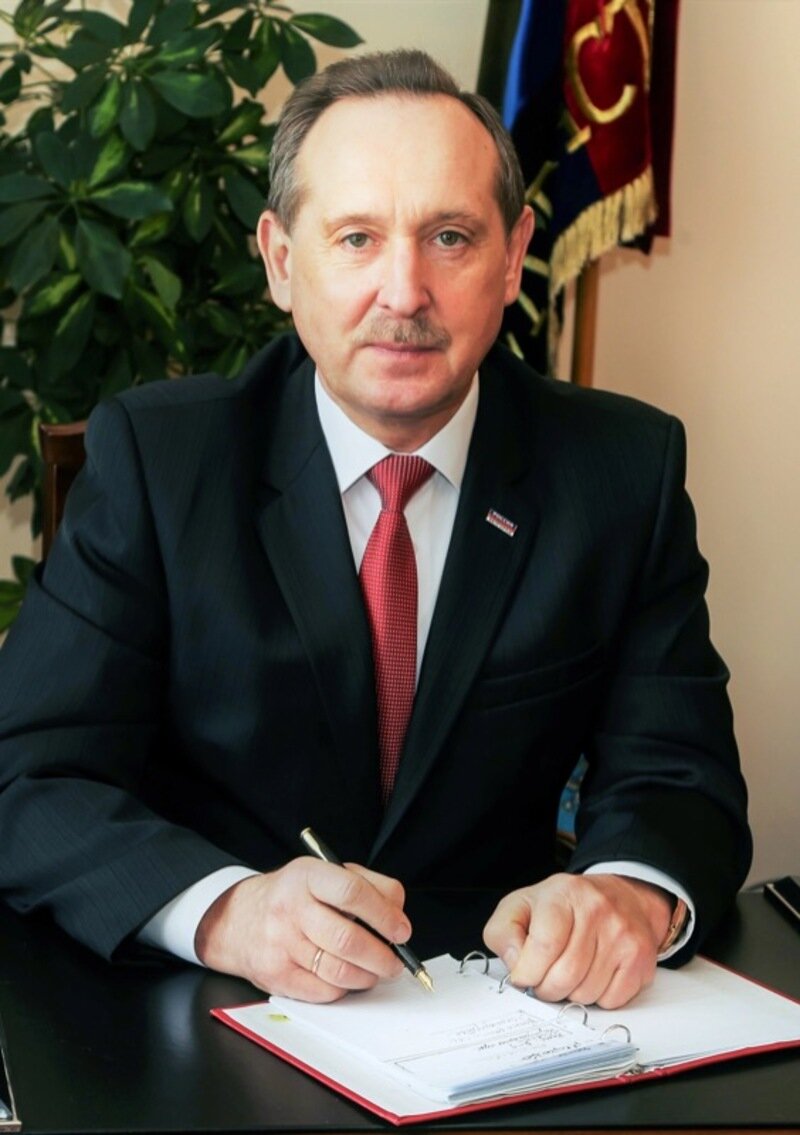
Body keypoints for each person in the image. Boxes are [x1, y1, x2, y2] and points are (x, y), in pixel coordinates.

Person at [0, 50, 750, 1010]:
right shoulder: (163, 461)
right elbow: (28, 776)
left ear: (514, 256)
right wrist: (227, 911)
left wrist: (627, 895)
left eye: (450, 237)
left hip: (505, 1016)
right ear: (281, 260)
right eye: (357, 238)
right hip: (208, 1010)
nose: (403, 292)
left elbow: (681, 774)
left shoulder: (621, 470)